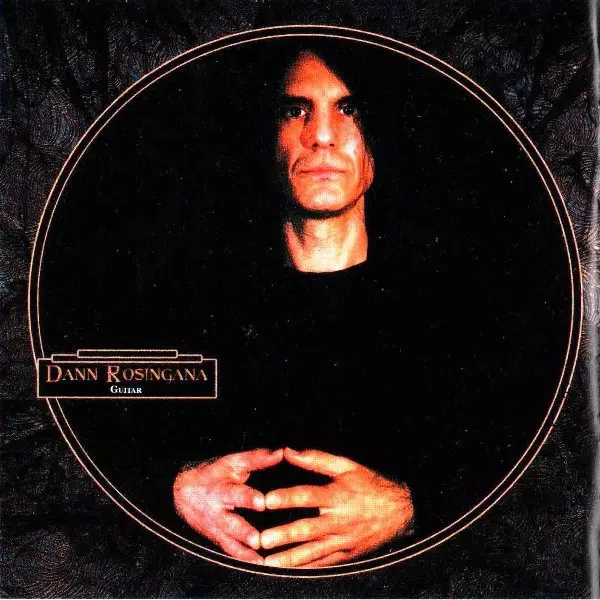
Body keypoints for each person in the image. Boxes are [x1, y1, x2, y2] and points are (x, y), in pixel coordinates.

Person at [172, 49, 417, 568]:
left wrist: (409, 508)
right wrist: (172, 489)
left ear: (376, 148)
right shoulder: (194, 305)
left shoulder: (450, 311)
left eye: (348, 109)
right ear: (267, 140)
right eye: (295, 110)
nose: (321, 135)